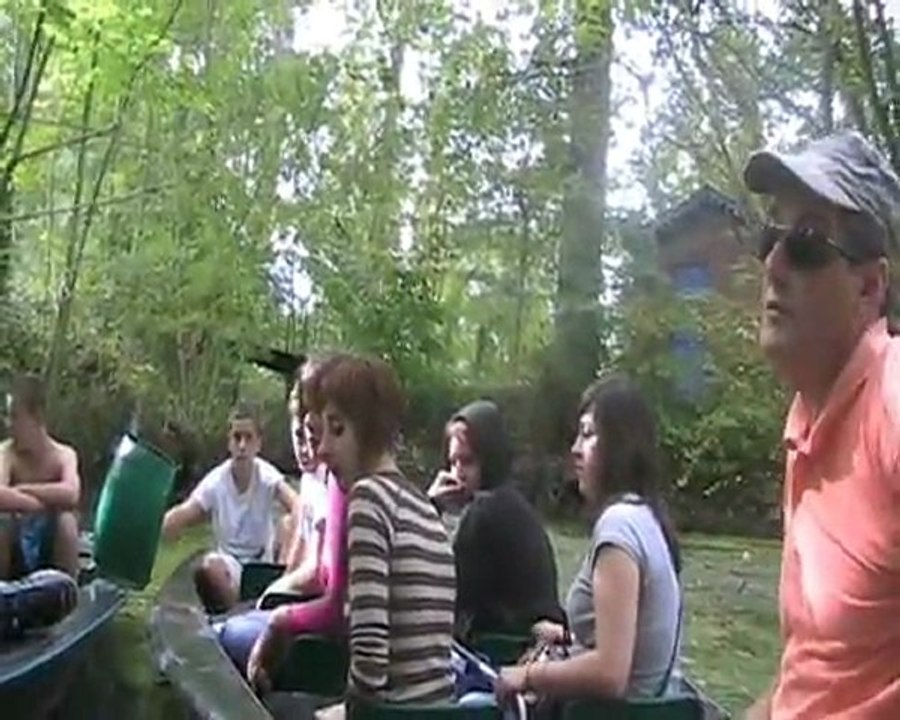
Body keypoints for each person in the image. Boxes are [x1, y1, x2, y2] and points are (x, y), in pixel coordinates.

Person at [742, 132, 900, 720]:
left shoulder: (890, 398)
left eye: (806, 242)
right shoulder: (809, 423)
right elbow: (812, 672)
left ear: (869, 286)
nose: (773, 263)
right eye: (772, 237)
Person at [249, 353, 456, 710]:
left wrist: (343, 712)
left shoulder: (368, 499)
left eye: (337, 429)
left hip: (392, 714)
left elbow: (370, 660)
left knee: (268, 705)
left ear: (370, 429)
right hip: (437, 709)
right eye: (322, 431)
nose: (322, 449)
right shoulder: (422, 503)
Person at [494, 375, 683, 705]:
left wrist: (527, 675)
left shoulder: (619, 527)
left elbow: (611, 673)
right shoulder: (648, 519)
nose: (575, 450)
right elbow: (630, 645)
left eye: (588, 434)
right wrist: (569, 637)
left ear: (619, 445)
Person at [218, 358, 349, 677]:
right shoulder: (313, 481)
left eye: (317, 435)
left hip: (330, 634)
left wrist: (274, 605)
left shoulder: (340, 486)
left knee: (225, 634)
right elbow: (301, 556)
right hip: (316, 611)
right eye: (302, 436)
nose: (311, 449)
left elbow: (325, 583)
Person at [428, 399, 562, 638]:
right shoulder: (515, 503)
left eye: (467, 461)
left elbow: (442, 594)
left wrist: (430, 507)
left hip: (506, 647)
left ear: (489, 459)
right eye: (453, 462)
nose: (458, 472)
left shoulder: (485, 512)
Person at [162, 401, 298, 613]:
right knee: (208, 566)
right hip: (230, 563)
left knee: (289, 523)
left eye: (248, 438)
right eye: (237, 438)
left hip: (263, 562)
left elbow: (297, 505)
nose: (242, 445)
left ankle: (278, 596)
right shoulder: (216, 481)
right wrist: (165, 525)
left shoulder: (267, 475)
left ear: (258, 444)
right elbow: (186, 512)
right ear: (229, 443)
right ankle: (232, 609)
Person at [0, 374, 81, 580]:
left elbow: (71, 493)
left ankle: (66, 590)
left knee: (67, 522)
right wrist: (40, 504)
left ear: (37, 417)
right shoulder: (6, 453)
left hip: (49, 546)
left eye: (14, 416)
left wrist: (22, 490)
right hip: (13, 547)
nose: (8, 424)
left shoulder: (63, 454)